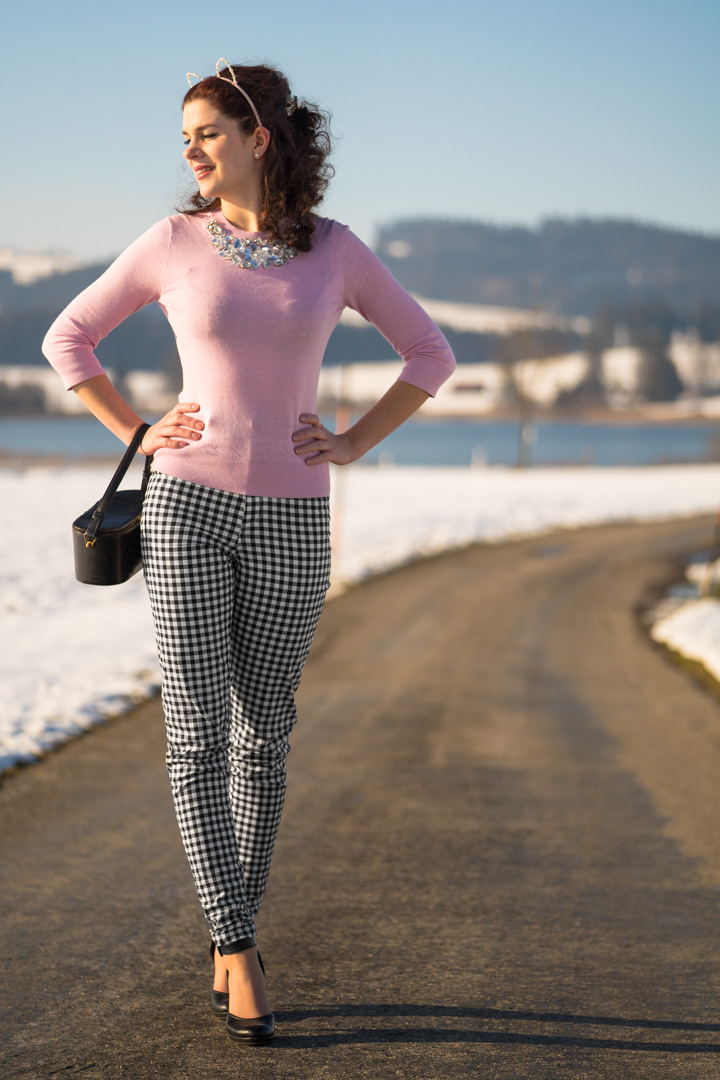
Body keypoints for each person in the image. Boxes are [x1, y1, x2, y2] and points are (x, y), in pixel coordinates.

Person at [42, 59, 456, 1045]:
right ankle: (236, 945)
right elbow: (71, 338)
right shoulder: (174, 241)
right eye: (184, 138)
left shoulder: (337, 253)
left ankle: (235, 936)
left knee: (263, 737)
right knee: (195, 736)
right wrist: (140, 431)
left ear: (258, 137)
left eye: (208, 132)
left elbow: (431, 355)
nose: (190, 151)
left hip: (294, 521)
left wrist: (352, 440)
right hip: (186, 511)